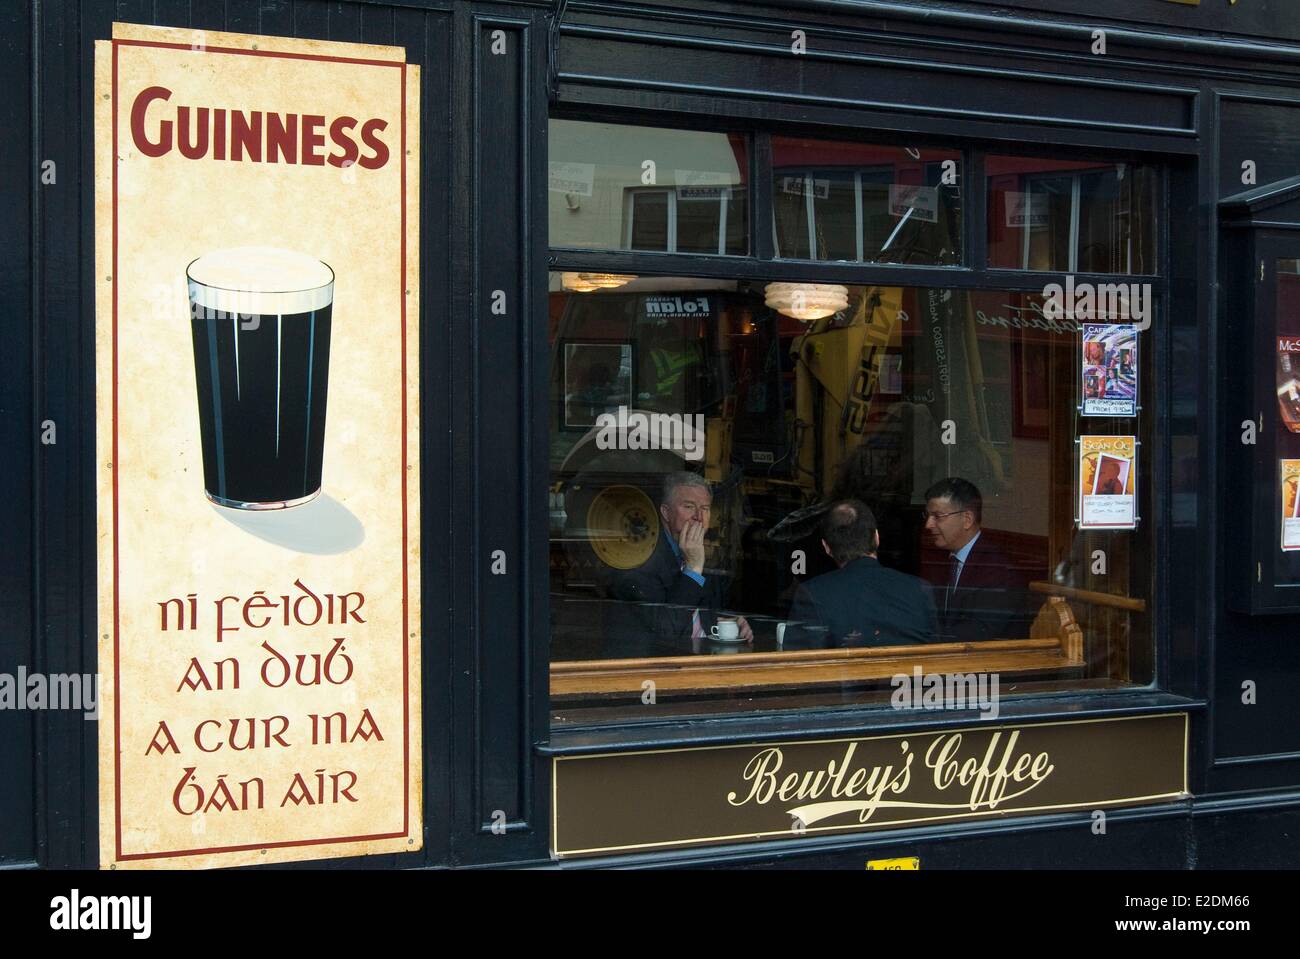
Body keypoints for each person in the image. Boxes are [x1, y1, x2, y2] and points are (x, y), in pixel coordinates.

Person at [604, 472, 752, 656]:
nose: (699, 516)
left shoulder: (703, 550)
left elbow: (696, 616)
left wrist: (728, 623)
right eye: (689, 506)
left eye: (705, 508)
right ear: (666, 512)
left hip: (700, 662)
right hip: (651, 670)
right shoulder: (640, 560)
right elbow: (667, 630)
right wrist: (693, 568)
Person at [783, 500, 936, 650]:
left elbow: (797, 664)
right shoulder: (920, 589)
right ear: (876, 538)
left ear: (827, 547)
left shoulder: (813, 593)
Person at [922, 477, 1029, 643]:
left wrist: (920, 637)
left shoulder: (998, 569)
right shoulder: (941, 560)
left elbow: (979, 632)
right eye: (928, 515)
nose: (928, 524)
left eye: (938, 516)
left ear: (967, 519)